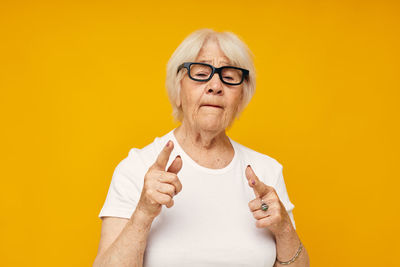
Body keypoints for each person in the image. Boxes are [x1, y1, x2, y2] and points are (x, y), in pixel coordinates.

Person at [93, 29, 310, 267]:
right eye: (201, 73)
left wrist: (285, 229)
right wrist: (143, 213)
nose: (215, 85)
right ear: (178, 90)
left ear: (241, 97)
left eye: (229, 76)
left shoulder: (267, 171)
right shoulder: (137, 168)